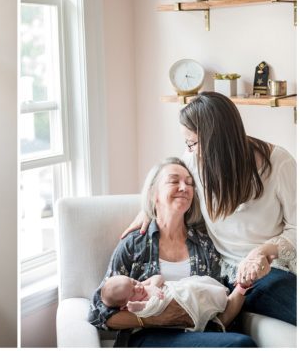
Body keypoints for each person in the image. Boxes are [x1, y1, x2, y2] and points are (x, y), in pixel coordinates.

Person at [122, 92, 296, 328]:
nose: (190, 150)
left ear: (217, 139)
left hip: (272, 268)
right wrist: (149, 210)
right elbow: (167, 183)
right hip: (226, 273)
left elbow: (297, 227)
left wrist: (264, 252)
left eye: (193, 143)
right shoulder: (194, 162)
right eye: (187, 144)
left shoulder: (278, 162)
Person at [89, 158, 255, 348]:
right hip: (148, 336)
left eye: (189, 183)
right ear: (154, 194)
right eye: (174, 181)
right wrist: (157, 318)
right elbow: (98, 312)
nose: (184, 187)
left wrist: (242, 287)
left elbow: (219, 310)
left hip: (198, 334)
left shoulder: (204, 245)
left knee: (240, 343)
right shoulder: (134, 245)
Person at [100, 272, 246, 333]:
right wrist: (139, 308)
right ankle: (216, 322)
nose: (138, 287)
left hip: (179, 290)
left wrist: (152, 286)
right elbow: (98, 313)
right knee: (239, 343)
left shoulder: (199, 237)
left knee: (193, 287)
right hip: (158, 333)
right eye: (133, 292)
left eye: (133, 282)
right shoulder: (133, 243)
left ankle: (224, 303)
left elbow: (158, 278)